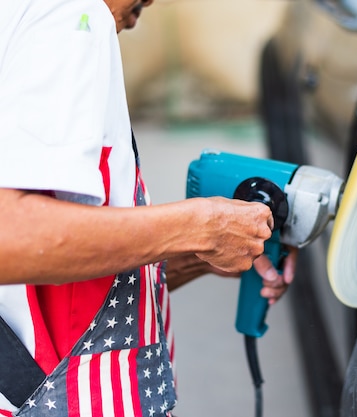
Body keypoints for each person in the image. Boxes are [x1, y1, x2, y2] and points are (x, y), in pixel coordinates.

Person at [0, 0, 297, 415]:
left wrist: (198, 255)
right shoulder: (70, 18)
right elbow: (10, 236)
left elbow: (62, 286)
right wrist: (199, 226)